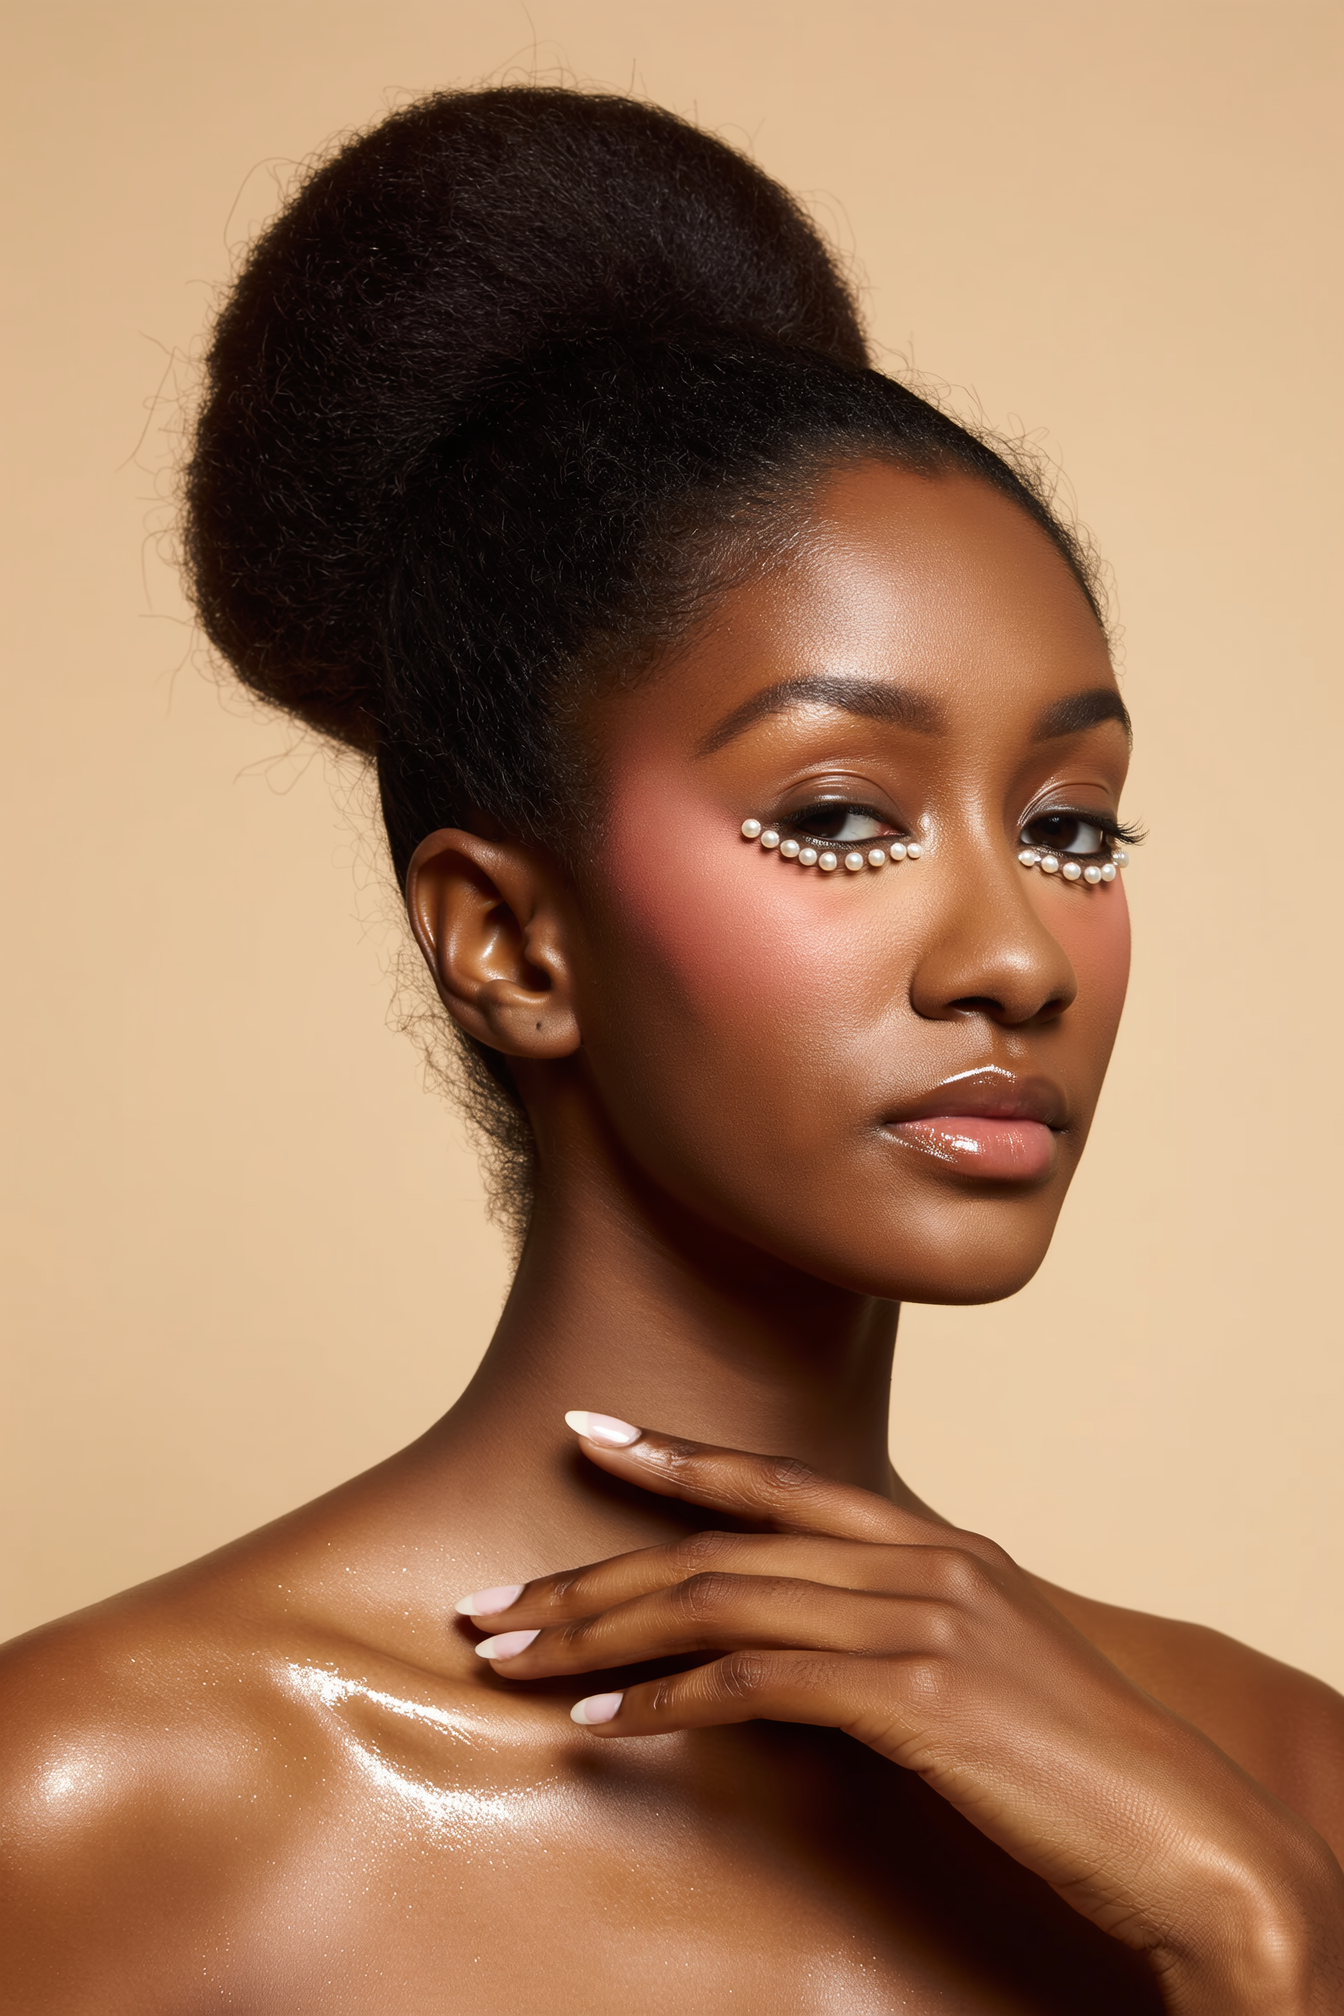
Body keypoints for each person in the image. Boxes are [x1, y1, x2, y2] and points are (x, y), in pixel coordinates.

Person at [1, 85, 1341, 2014]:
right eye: (837, 814)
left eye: (1070, 827)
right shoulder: (101, 1814)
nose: (1015, 956)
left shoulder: (1275, 1787)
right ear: (510, 940)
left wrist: (1268, 1949)